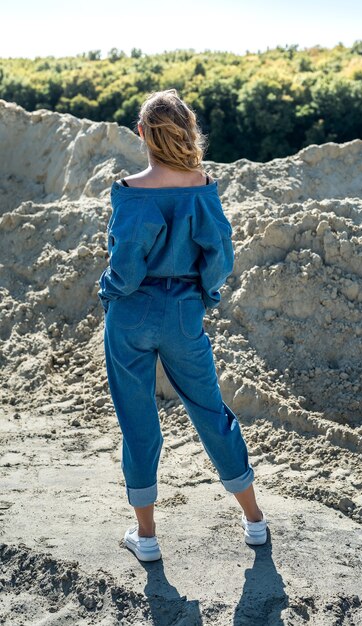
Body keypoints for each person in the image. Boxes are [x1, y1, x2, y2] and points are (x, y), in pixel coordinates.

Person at [97, 88, 267, 562]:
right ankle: (254, 522)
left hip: (130, 312)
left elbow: (125, 269)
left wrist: (106, 290)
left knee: (138, 420)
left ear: (142, 134)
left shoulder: (128, 190)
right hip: (182, 311)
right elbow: (220, 255)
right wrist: (203, 295)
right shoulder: (201, 185)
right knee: (210, 412)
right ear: (188, 131)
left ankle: (146, 537)